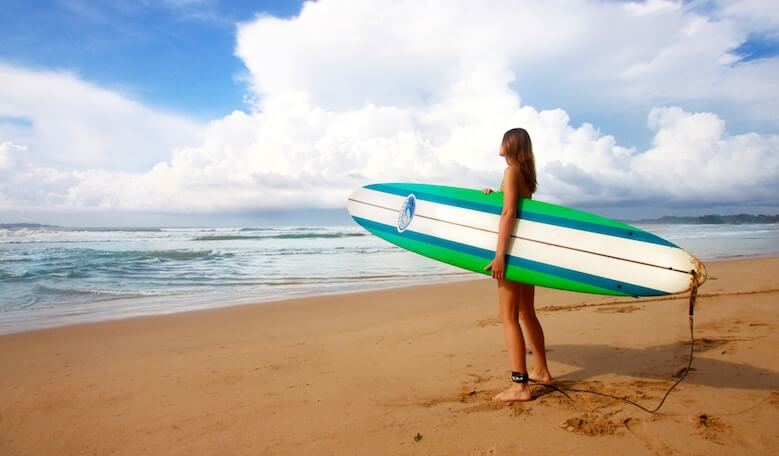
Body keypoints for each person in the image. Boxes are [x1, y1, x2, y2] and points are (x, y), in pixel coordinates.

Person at [483, 128, 552, 402]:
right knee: (527, 313)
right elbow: (513, 205)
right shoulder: (524, 175)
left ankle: (520, 385)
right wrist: (492, 195)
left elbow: (509, 212)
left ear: (509, 145)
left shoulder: (510, 172)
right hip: (526, 253)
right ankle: (542, 371)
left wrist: (500, 255)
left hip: (511, 252)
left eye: (502, 140)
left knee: (509, 318)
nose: (498, 144)